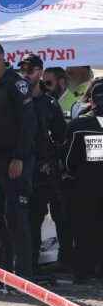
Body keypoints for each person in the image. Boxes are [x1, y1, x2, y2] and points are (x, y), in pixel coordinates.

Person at [0, 41, 37, 278]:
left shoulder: (17, 83)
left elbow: (28, 123)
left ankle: (24, 274)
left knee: (16, 216)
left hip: (16, 160)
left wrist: (20, 157)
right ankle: (3, 270)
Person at [18, 54, 68, 273]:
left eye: (30, 71)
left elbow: (61, 137)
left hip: (44, 171)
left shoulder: (49, 103)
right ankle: (26, 265)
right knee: (23, 219)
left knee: (43, 217)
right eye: (23, 71)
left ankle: (42, 264)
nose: (26, 75)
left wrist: (52, 161)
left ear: (39, 72)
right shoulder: (16, 99)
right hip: (20, 167)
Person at [63, 83, 103, 284]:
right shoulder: (84, 125)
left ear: (92, 100)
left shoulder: (80, 125)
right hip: (89, 182)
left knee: (83, 228)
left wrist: (71, 174)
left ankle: (83, 271)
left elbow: (69, 159)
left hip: (84, 185)